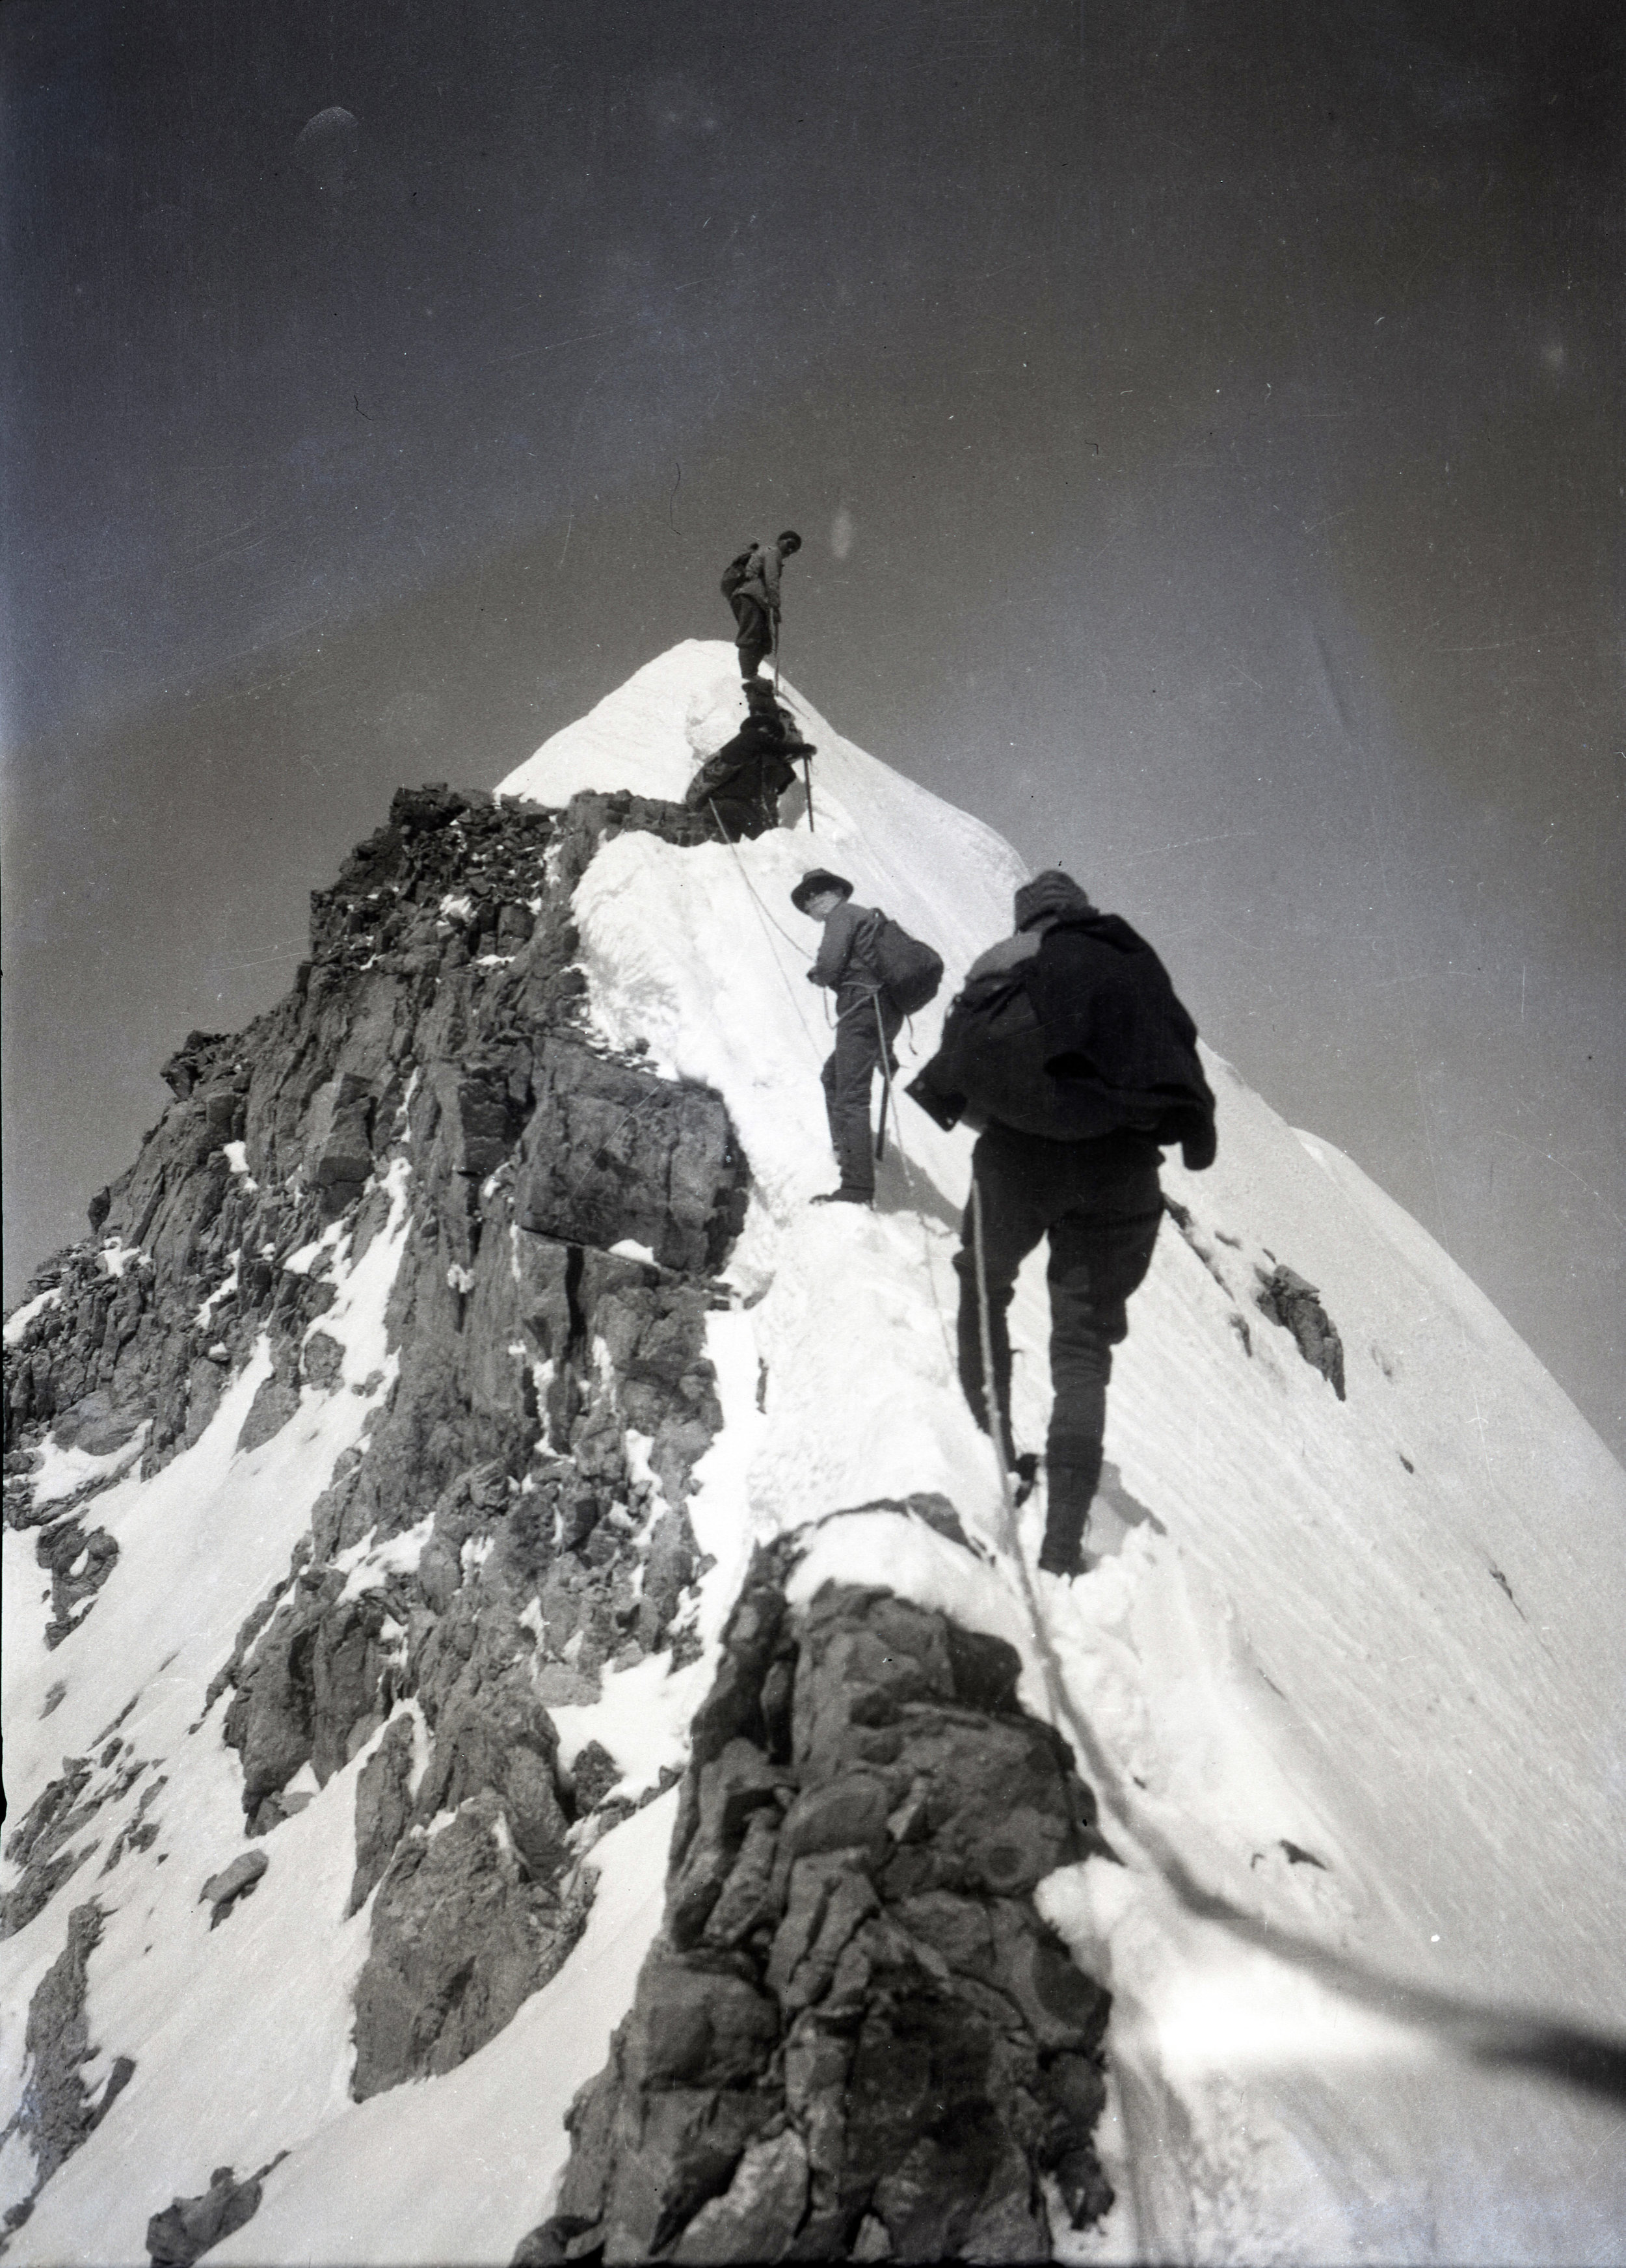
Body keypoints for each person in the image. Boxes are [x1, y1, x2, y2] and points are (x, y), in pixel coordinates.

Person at [908, 870, 1216, 1577]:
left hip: (1018, 1161)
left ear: (1027, 918)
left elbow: (961, 1058)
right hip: (1122, 1171)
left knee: (983, 1284)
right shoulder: (1129, 965)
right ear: (1079, 911)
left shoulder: (1007, 960)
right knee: (1082, 1348)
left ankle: (992, 1448)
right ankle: (1061, 1543)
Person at [792, 867, 900, 1208]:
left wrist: (819, 975)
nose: (809, 905)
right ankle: (848, 1150)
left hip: (862, 1009)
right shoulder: (868, 917)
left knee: (851, 1096)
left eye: (812, 896)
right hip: (885, 1011)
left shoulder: (841, 916)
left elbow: (829, 965)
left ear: (829, 895)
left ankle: (856, 1187)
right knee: (833, 1077)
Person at [683, 684, 810, 839]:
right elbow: (765, 743)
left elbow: (779, 776)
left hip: (726, 808)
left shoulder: (755, 755)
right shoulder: (752, 738)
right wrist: (800, 750)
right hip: (732, 807)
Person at [727, 530, 802, 682]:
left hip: (754, 599)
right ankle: (748, 675)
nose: (790, 550)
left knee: (764, 642)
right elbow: (772, 579)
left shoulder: (770, 553)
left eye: (794, 549)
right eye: (790, 544)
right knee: (751, 635)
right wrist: (776, 606)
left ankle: (751, 674)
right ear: (780, 541)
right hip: (750, 596)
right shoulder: (772, 552)